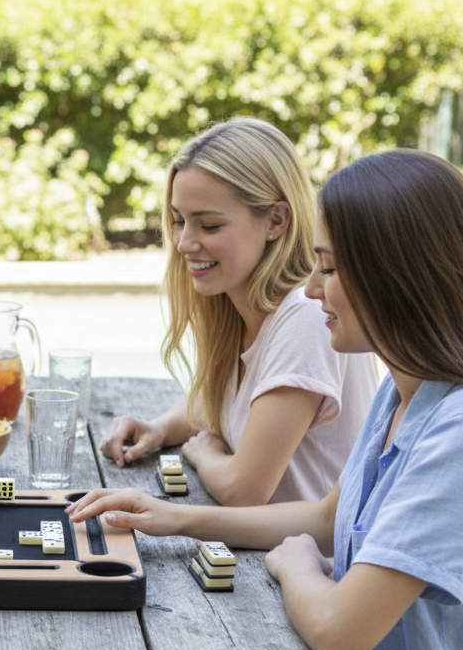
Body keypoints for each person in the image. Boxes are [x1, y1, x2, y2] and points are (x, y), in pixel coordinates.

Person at [72, 149, 463, 650]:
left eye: (328, 268)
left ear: (399, 275)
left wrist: (296, 566)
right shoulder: (405, 392)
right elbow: (330, 515)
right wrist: (172, 517)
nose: (308, 289)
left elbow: (335, 630)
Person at [99, 118, 378, 506]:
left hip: (310, 562)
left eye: (209, 225)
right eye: (179, 221)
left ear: (276, 221)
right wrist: (159, 429)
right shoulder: (240, 306)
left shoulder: (308, 316)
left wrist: (205, 454)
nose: (183, 243)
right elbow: (226, 400)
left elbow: (242, 490)